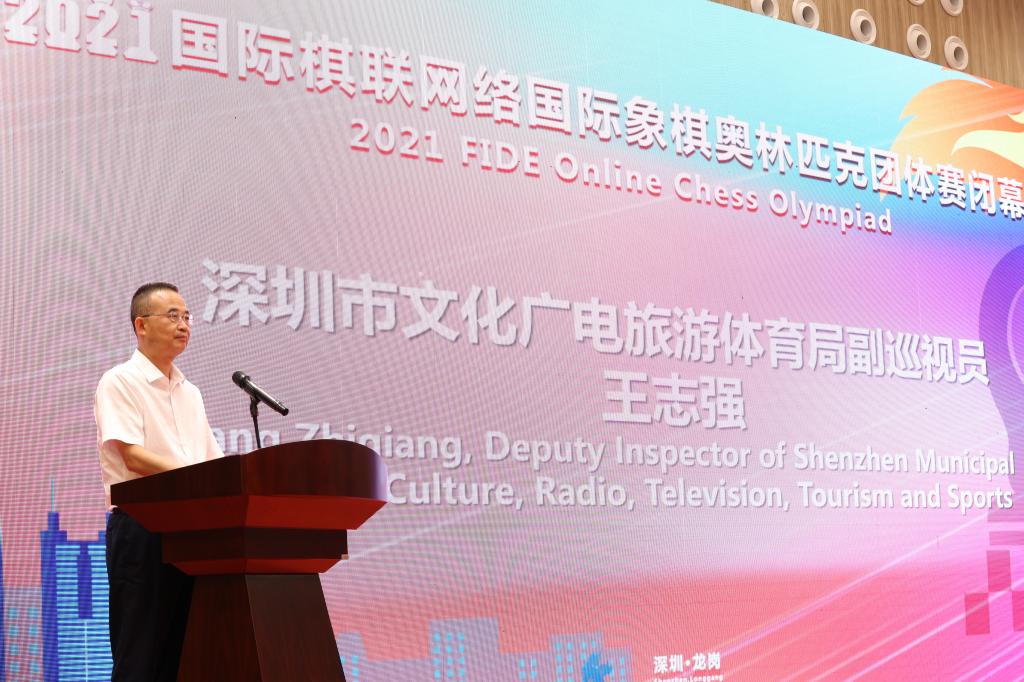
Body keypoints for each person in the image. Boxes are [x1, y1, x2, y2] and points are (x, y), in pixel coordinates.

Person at [94, 282, 224, 682]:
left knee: (186, 654)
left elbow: (211, 460)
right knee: (141, 657)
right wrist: (193, 476)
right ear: (141, 325)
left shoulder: (191, 392)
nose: (183, 325)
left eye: (186, 316)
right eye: (172, 316)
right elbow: (132, 456)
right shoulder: (120, 381)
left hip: (192, 531)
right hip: (143, 529)